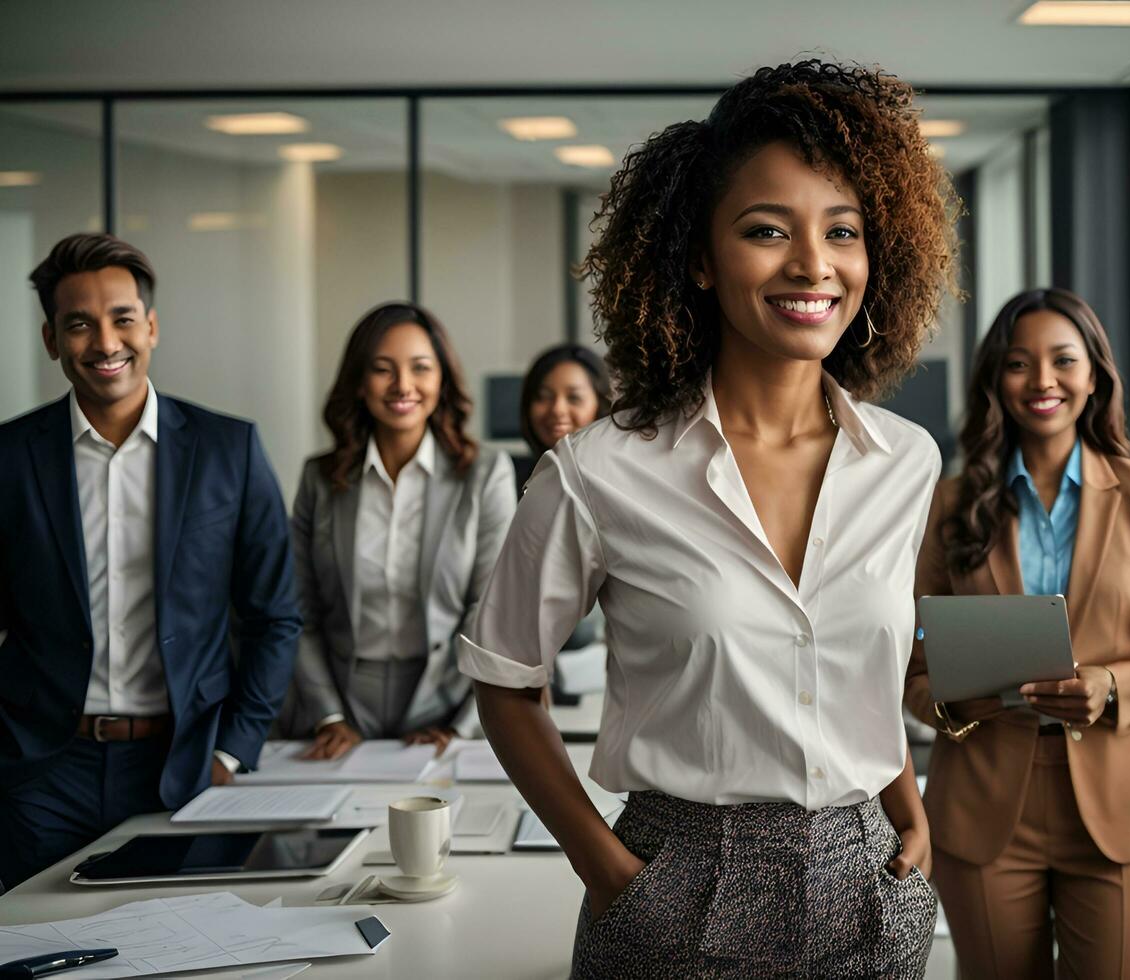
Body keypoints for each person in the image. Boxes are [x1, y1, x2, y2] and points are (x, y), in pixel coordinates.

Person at [457, 60, 959, 977]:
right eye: (767, 231)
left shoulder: (906, 461)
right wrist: (605, 869)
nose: (813, 264)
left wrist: (909, 809)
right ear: (698, 257)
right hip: (676, 880)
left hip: (868, 874)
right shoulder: (598, 470)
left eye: (841, 231)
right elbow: (503, 680)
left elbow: (853, 668)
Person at [905, 288, 1130, 980]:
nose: (1042, 380)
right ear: (994, 382)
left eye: (1063, 361)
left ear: (1094, 375)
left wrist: (1110, 683)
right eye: (1019, 363)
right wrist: (956, 708)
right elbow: (910, 672)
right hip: (984, 802)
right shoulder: (949, 505)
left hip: (1122, 802)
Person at [0, 233, 300, 891]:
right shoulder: (9, 458)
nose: (106, 343)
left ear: (152, 327)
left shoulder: (230, 450)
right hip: (43, 772)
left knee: (178, 942)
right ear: (52, 340)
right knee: (29, 943)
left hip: (184, 765)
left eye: (123, 319)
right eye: (79, 324)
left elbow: (275, 616)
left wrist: (232, 750)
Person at [283, 302, 517, 758]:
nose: (402, 386)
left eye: (420, 368)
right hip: (338, 704)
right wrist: (329, 716)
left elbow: (493, 611)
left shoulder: (485, 474)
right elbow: (298, 611)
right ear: (358, 382)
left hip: (448, 700)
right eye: (382, 369)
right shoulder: (320, 478)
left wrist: (465, 724)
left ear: (442, 379)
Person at [513, 343, 612, 495]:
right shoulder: (510, 481)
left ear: (601, 405)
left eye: (574, 398)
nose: (557, 410)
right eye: (544, 397)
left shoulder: (612, 484)